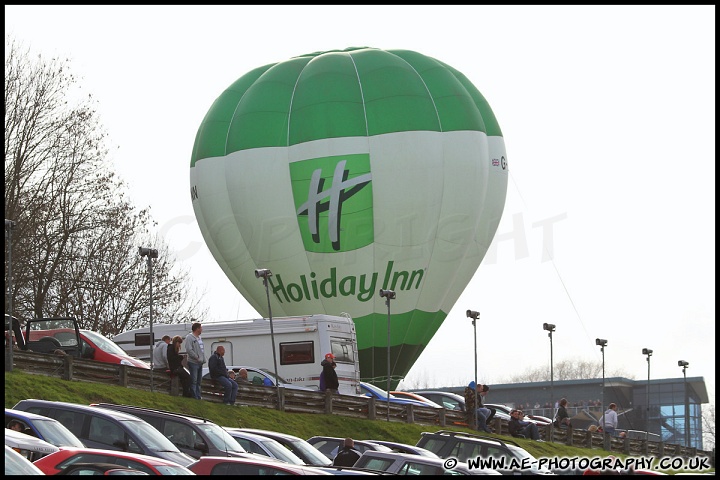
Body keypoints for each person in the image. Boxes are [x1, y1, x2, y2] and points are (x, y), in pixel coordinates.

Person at [185, 322, 206, 400]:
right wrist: (196, 357)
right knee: (194, 380)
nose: (201, 330)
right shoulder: (190, 337)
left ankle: (198, 395)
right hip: (193, 362)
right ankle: (194, 396)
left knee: (199, 380)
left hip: (200, 362)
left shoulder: (199, 338)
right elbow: (189, 349)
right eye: (200, 328)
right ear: (197, 329)